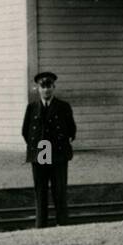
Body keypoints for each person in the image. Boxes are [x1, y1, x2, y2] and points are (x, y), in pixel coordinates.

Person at [21, 71, 77, 227]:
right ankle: (41, 224)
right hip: (40, 153)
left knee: (59, 190)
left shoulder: (63, 107)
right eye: (43, 87)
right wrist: (37, 148)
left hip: (58, 154)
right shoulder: (32, 108)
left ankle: (63, 223)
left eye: (49, 87)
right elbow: (25, 131)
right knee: (41, 191)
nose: (46, 90)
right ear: (38, 88)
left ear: (54, 87)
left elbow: (72, 130)